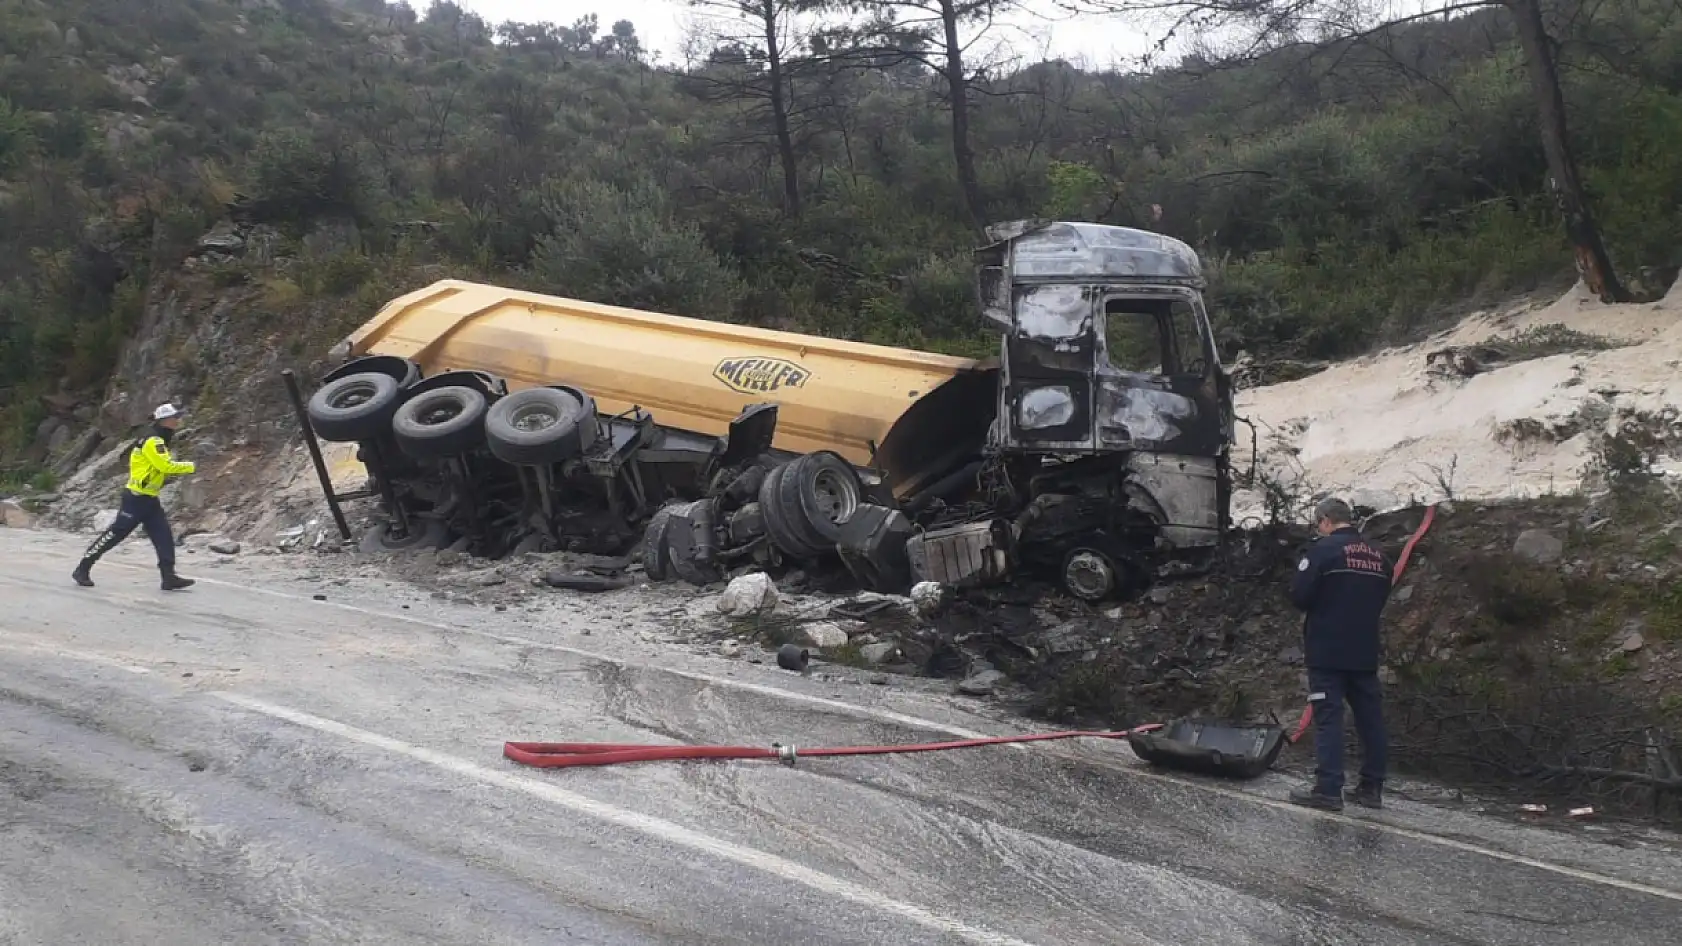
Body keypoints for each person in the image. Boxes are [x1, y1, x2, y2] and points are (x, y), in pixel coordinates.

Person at [1286, 497, 1393, 811]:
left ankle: (1328, 789)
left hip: (1328, 650)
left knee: (1329, 719)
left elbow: (1300, 596)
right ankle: (1371, 789)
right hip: (1365, 650)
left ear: (1324, 521)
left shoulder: (1322, 552)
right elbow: (1382, 595)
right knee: (1371, 720)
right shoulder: (1379, 557)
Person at [72, 403, 197, 591]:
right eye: (176, 417)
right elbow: (165, 467)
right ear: (166, 420)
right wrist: (191, 466)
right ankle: (83, 568)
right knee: (115, 534)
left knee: (163, 536)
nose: (178, 420)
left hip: (149, 498)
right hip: (136, 498)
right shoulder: (154, 441)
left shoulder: (158, 437)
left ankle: (168, 577)